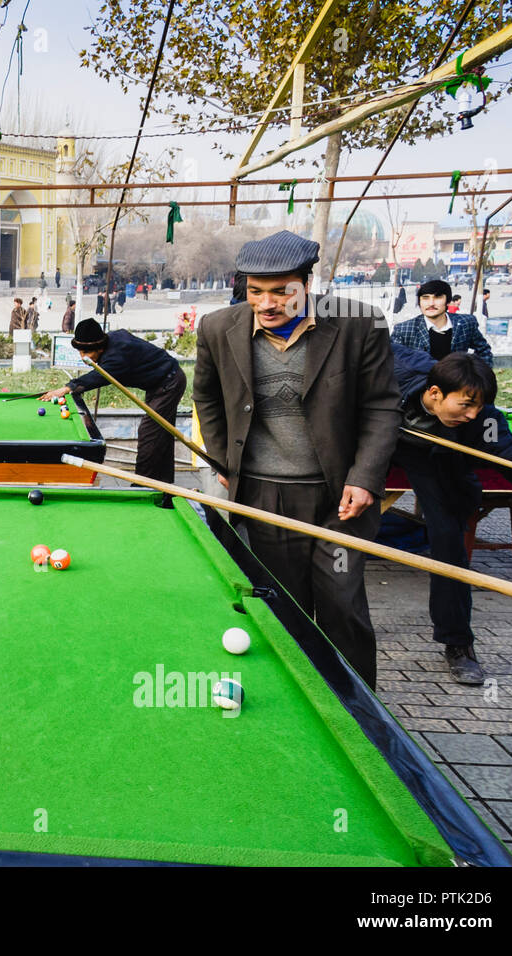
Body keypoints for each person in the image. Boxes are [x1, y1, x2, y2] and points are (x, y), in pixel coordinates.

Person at [192, 230, 401, 689]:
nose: (266, 303)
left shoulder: (358, 324)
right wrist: (223, 462)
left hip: (340, 499)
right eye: (254, 291)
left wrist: (365, 477)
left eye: (281, 291)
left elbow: (382, 406)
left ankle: (358, 707)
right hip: (264, 497)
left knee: (341, 602)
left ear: (307, 283)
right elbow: (205, 396)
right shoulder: (216, 327)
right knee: (283, 602)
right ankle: (298, 697)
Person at [390, 346, 512, 685]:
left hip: (436, 459)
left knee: (448, 542)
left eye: (479, 405)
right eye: (465, 404)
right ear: (434, 393)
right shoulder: (395, 372)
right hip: (380, 443)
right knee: (340, 525)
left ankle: (458, 645)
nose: (473, 414)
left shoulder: (484, 419)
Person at [42, 319, 186, 484]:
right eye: (80, 352)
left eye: (86, 353)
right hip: (159, 383)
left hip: (169, 383)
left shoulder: (117, 357)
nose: (83, 358)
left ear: (100, 347)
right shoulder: (111, 341)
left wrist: (68, 387)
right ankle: (163, 487)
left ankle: (142, 487)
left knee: (149, 433)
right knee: (161, 435)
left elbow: (99, 376)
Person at [390, 279, 492, 366]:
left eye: (437, 297)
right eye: (425, 298)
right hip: (421, 386)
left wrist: (476, 378)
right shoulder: (404, 329)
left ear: (448, 301)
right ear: (419, 302)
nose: (431, 303)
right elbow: (394, 364)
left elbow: (484, 351)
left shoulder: (465, 323)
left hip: (457, 383)